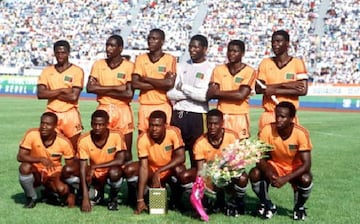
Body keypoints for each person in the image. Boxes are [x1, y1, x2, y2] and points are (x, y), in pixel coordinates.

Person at [249, 101, 313, 220]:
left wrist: (285, 178)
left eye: (283, 117)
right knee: (255, 173)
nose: (278, 119)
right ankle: (267, 204)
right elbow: (259, 157)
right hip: (276, 165)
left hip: (295, 167)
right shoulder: (267, 130)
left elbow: (307, 164)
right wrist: (268, 171)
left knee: (306, 179)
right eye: (277, 115)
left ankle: (299, 207)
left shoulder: (301, 133)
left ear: (291, 118)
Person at [178, 109, 248, 217]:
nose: (212, 127)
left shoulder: (232, 137)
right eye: (209, 123)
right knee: (185, 176)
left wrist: (225, 173)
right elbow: (201, 171)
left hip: (228, 171)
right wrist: (206, 183)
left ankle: (235, 202)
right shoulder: (200, 142)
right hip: (209, 172)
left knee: (242, 177)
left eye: (215, 124)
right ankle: (205, 202)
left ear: (222, 124)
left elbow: (238, 163)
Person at [167, 34, 215, 168]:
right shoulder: (180, 66)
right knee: (175, 157)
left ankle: (197, 188)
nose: (192, 50)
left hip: (198, 116)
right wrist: (192, 92)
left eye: (196, 47)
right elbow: (170, 93)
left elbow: (204, 96)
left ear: (205, 49)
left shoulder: (211, 68)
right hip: (179, 115)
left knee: (197, 157)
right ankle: (179, 188)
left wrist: (182, 87)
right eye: (190, 47)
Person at [87, 35, 134, 161]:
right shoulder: (98, 64)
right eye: (107, 45)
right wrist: (118, 88)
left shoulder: (129, 66)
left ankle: (128, 178)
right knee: (101, 147)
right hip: (104, 109)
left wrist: (101, 88)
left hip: (123, 111)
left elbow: (129, 94)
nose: (108, 48)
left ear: (120, 48)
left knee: (126, 151)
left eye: (112, 46)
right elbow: (90, 88)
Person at [17, 112, 75, 208]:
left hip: (53, 172)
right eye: (42, 123)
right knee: (24, 167)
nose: (44, 126)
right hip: (36, 170)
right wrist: (40, 159)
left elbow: (71, 168)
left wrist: (71, 193)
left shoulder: (64, 142)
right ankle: (31, 197)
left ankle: (47, 192)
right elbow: (20, 156)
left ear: (55, 126)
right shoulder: (32, 134)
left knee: (62, 190)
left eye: (48, 124)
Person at [73, 110, 128, 212]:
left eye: (101, 125)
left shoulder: (117, 135)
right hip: (94, 174)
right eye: (95, 124)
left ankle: (113, 198)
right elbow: (82, 168)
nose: (97, 127)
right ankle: (96, 194)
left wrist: (95, 166)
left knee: (115, 173)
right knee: (77, 174)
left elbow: (120, 160)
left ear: (107, 124)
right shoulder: (83, 139)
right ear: (91, 124)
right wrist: (85, 199)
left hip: (110, 171)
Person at [134, 110, 186, 214]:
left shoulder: (173, 132)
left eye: (158, 125)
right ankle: (137, 199)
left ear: (165, 125)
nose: (154, 129)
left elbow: (181, 157)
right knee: (136, 170)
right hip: (151, 171)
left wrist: (160, 171)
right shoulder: (143, 138)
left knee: (180, 170)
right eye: (151, 125)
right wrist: (139, 199)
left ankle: (176, 201)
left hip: (169, 169)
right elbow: (143, 167)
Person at [256, 30, 308, 131]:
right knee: (265, 146)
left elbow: (302, 90)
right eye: (273, 42)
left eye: (279, 41)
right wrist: (286, 85)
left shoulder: (297, 63)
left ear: (287, 43)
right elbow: (259, 88)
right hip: (269, 114)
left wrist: (273, 89)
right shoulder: (265, 63)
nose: (275, 45)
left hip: (289, 116)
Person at [37, 40, 84, 151]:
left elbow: (73, 97)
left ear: (68, 53)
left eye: (63, 53)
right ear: (54, 53)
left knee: (74, 149)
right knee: (48, 148)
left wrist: (51, 93)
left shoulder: (77, 71)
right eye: (57, 53)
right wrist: (62, 90)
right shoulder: (47, 71)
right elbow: (40, 94)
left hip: (70, 114)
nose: (60, 55)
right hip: (51, 112)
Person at [207, 40, 256, 140]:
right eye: (229, 51)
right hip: (222, 114)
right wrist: (235, 93)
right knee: (221, 146)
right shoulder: (219, 69)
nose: (231, 54)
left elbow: (241, 95)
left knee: (241, 149)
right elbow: (211, 93)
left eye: (235, 51)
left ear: (242, 53)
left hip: (240, 115)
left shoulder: (249, 71)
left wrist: (218, 93)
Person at [131, 28, 177, 134]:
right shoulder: (141, 58)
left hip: (163, 104)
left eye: (154, 39)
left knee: (165, 137)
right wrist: (161, 83)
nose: (150, 41)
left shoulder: (170, 59)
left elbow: (169, 83)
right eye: (149, 38)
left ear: (162, 41)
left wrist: (146, 78)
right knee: (143, 138)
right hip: (145, 106)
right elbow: (135, 83)